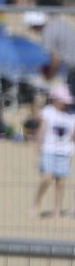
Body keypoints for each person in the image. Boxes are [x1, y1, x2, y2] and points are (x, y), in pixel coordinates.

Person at [35, 84, 75, 218]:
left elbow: (73, 134)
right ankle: (37, 202)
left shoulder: (71, 115)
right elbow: (41, 129)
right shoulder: (48, 111)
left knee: (61, 181)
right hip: (49, 149)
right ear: (55, 100)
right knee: (47, 178)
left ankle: (57, 210)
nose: (65, 104)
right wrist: (39, 144)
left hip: (65, 151)